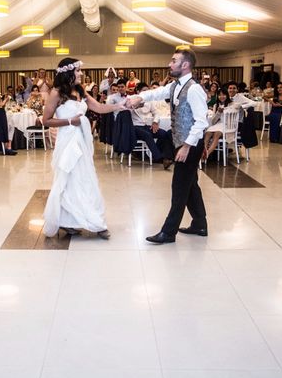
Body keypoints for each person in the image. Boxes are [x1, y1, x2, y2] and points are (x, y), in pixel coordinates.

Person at [128, 49, 208, 244]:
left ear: (185, 65)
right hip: (181, 142)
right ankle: (200, 224)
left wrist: (187, 147)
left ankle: (168, 232)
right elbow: (158, 92)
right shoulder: (176, 85)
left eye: (174, 61)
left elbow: (201, 122)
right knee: (190, 185)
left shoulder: (194, 89)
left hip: (189, 145)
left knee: (179, 187)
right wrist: (140, 97)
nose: (169, 64)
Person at [41, 58, 123, 239]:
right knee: (69, 180)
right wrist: (71, 121)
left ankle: (88, 220)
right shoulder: (56, 93)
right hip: (67, 141)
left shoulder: (80, 91)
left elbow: (100, 107)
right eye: (78, 71)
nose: (81, 74)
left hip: (82, 141)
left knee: (85, 178)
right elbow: (46, 120)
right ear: (68, 73)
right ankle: (75, 222)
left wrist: (119, 105)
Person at [131, 82, 175, 169]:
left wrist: (155, 122)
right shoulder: (132, 99)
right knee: (147, 135)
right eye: (144, 91)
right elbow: (126, 110)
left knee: (163, 133)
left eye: (148, 91)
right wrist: (135, 106)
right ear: (138, 91)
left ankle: (163, 156)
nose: (146, 93)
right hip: (135, 126)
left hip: (146, 126)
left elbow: (156, 113)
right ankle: (160, 158)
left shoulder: (149, 101)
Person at [204, 87, 232, 155]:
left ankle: (207, 154)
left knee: (216, 134)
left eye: (223, 95)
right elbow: (213, 122)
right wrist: (218, 113)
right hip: (218, 125)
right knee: (207, 133)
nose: (221, 97)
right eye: (219, 95)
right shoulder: (216, 105)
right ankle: (203, 152)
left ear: (227, 95)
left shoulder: (231, 104)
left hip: (228, 125)